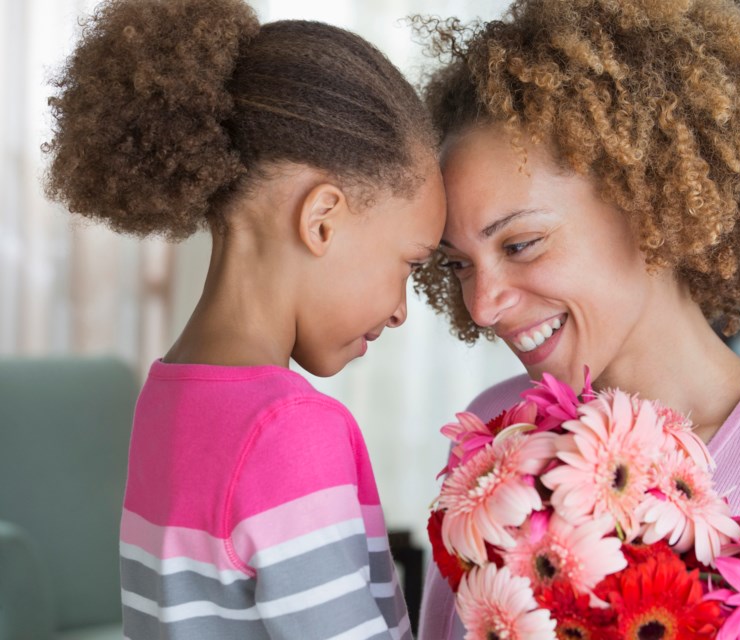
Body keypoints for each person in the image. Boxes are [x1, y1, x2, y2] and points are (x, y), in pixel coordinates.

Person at [412, 0, 740, 637]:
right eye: (458, 265)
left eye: (520, 245)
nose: (482, 305)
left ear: (649, 204)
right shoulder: (497, 447)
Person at [43, 0, 445, 637]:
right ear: (321, 220)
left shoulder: (165, 397)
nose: (400, 310)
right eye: (409, 263)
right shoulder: (289, 430)